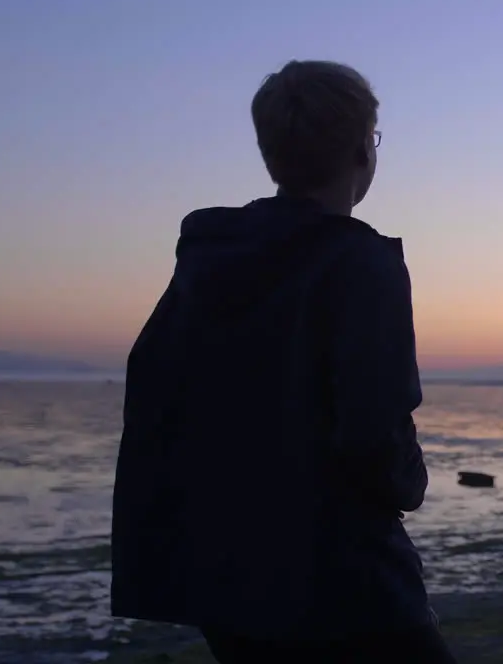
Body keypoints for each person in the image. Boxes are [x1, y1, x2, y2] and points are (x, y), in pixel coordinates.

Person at [110, 60, 454, 663]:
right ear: (360, 153)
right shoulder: (361, 265)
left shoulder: (207, 257)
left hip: (227, 582)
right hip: (342, 581)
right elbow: (374, 432)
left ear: (272, 154)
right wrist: (410, 482)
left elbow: (156, 394)